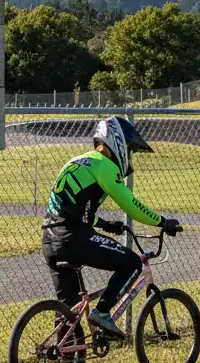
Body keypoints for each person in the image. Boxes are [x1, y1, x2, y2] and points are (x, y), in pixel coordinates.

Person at [43, 116, 180, 342]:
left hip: (50, 238)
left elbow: (73, 209)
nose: (130, 156)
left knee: (70, 309)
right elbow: (130, 204)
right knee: (132, 262)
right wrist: (162, 222)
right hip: (72, 237)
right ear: (117, 142)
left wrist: (106, 225)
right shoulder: (104, 164)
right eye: (129, 150)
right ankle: (103, 311)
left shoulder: (78, 161)